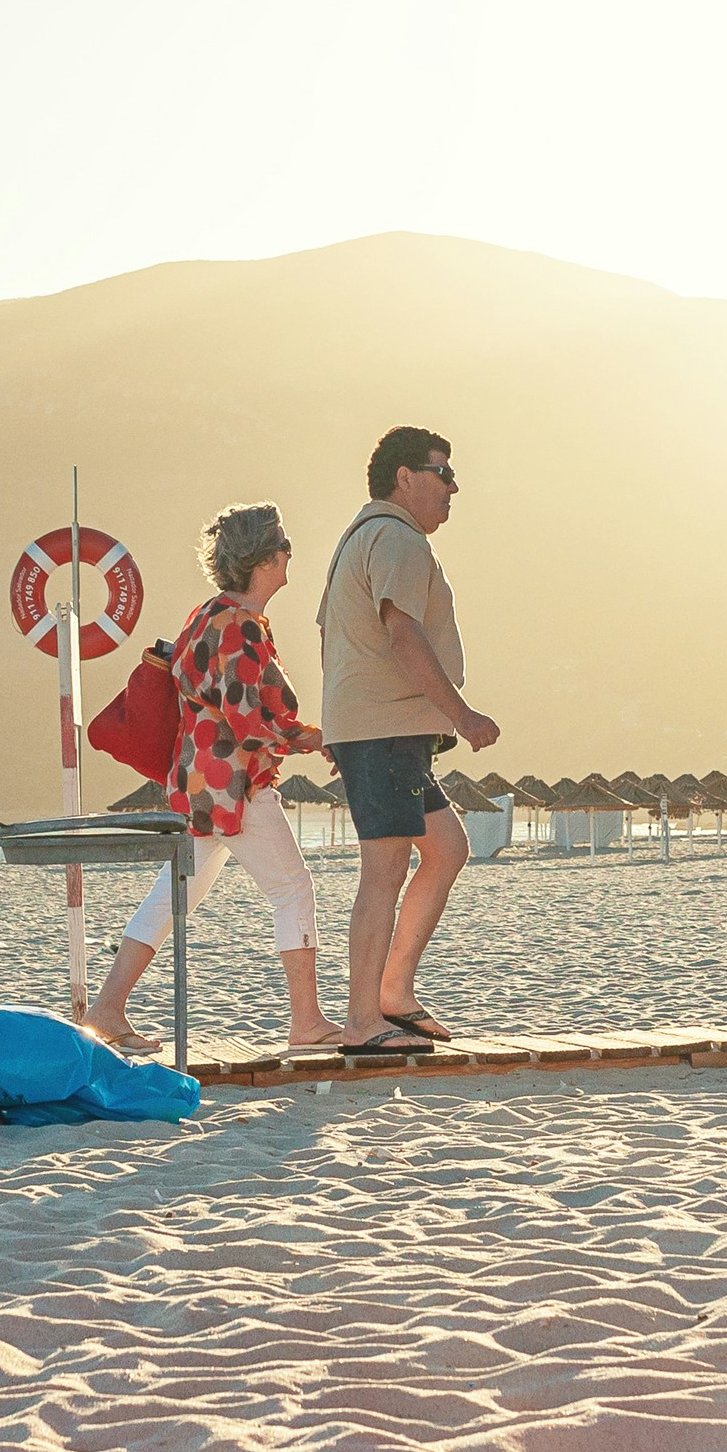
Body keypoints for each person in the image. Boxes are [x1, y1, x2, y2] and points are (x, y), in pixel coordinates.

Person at [83, 506, 342, 1056]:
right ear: (265, 559)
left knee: (173, 896)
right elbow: (248, 717)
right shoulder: (240, 626)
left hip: (196, 783)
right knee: (292, 889)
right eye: (285, 546)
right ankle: (307, 1022)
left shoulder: (206, 615)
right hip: (237, 787)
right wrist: (315, 739)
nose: (291, 553)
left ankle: (107, 1008)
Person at [317, 424, 498, 1050]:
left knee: (445, 847)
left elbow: (340, 638)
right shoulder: (397, 538)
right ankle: (363, 1020)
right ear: (405, 478)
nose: (453, 487)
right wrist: (465, 715)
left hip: (381, 731)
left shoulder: (360, 539)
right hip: (385, 730)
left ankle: (393, 995)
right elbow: (402, 636)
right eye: (442, 472)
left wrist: (342, 730)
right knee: (385, 868)